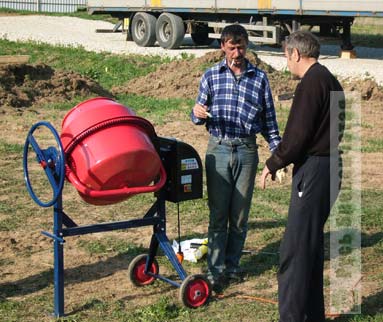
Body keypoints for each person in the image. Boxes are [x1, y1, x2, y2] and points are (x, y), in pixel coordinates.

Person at [260, 30, 345, 322]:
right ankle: (313, 315)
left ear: (295, 54)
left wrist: (274, 162)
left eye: (286, 57)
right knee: (310, 247)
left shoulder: (311, 84)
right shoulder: (330, 79)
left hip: (315, 169)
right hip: (330, 167)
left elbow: (297, 136)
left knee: (295, 251)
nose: (287, 64)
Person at [191, 24, 281, 293]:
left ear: (247, 46)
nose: (237, 51)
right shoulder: (210, 76)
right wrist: (197, 113)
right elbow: (197, 114)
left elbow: (270, 123)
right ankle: (215, 271)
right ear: (223, 47)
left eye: (241, 46)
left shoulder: (260, 78)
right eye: (232, 46)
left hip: (246, 150)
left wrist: (279, 154)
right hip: (218, 149)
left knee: (239, 216)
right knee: (218, 214)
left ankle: (233, 266)